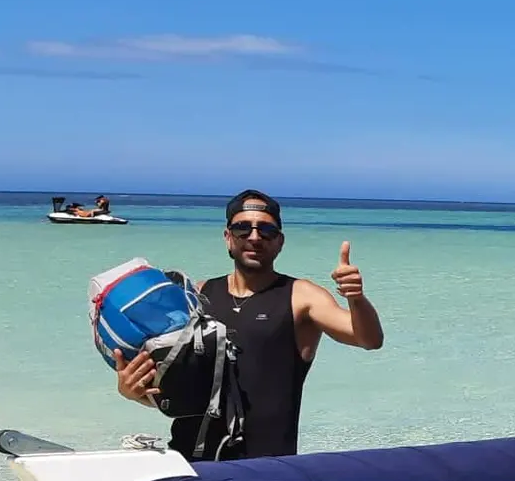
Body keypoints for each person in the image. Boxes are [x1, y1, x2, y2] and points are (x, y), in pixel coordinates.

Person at [112, 189, 386, 459]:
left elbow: (368, 339)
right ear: (228, 238)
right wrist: (132, 392)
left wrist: (356, 297)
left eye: (266, 231)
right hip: (190, 461)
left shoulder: (301, 296)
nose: (255, 237)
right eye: (243, 228)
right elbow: (177, 390)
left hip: (266, 470)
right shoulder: (198, 295)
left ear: (279, 242)